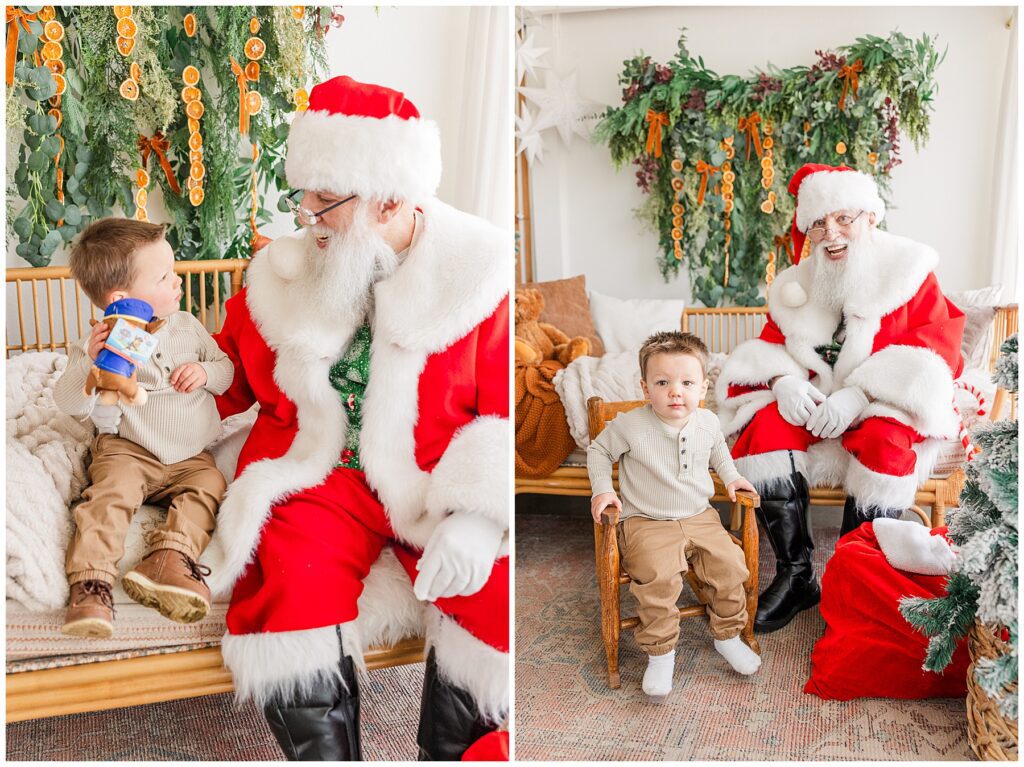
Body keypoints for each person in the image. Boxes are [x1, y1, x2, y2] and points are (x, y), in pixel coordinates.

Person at [205, 75, 509, 761]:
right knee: (285, 569)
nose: (306, 215)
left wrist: (482, 515)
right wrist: (143, 384)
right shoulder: (282, 274)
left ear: (392, 201)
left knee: (494, 592)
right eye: (303, 193)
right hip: (323, 472)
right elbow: (225, 378)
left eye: (326, 199)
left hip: (435, 479)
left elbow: (504, 413)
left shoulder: (481, 273)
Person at [716, 163, 965, 634]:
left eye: (843, 219)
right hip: (817, 403)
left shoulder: (909, 270)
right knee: (763, 429)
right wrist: (784, 382)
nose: (831, 234)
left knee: (887, 441)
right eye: (818, 224)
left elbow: (937, 353)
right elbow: (770, 345)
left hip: (879, 402)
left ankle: (853, 578)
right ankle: (797, 575)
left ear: (870, 217)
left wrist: (859, 394)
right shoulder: (797, 282)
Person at [53, 218, 233, 638]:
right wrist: (89, 364)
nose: (177, 281)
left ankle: (170, 557)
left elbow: (227, 372)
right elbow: (67, 403)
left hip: (190, 456)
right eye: (164, 276)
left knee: (210, 485)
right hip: (129, 450)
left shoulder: (189, 326)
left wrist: (205, 373)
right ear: (122, 298)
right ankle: (91, 585)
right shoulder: (100, 341)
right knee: (108, 495)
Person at [588, 331, 761, 699]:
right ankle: (661, 652)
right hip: (645, 519)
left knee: (731, 566)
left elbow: (719, 455)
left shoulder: (709, 422)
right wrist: (603, 489)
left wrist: (731, 478)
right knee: (657, 577)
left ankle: (728, 635)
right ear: (646, 387)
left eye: (686, 382)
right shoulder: (631, 425)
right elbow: (599, 451)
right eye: (662, 382)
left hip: (699, 514)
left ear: (702, 388)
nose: (674, 391)